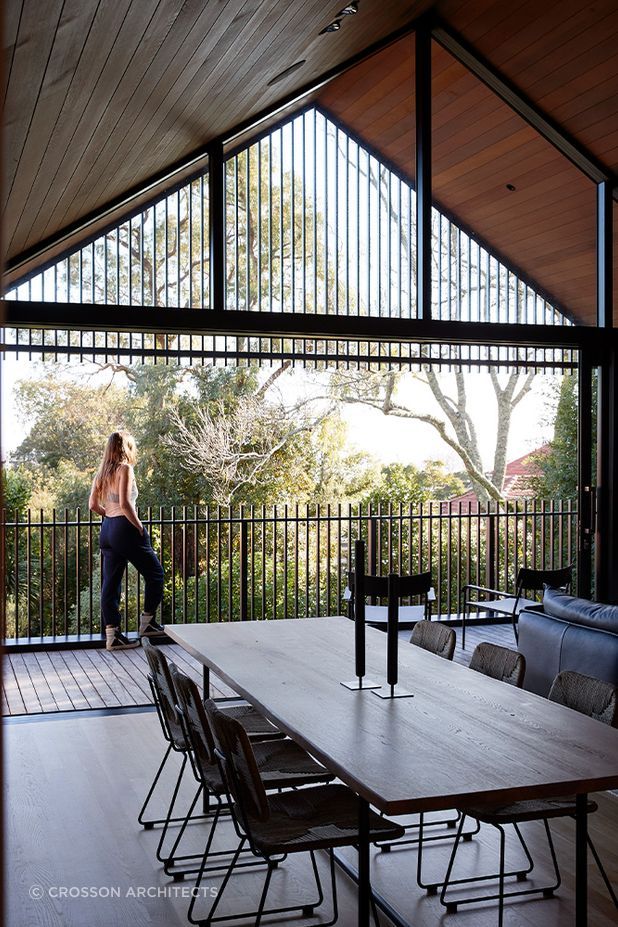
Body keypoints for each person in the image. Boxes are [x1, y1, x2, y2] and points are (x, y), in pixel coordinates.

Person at [89, 431, 165, 651]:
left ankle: (112, 636)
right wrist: (139, 527)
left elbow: (93, 505)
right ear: (125, 448)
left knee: (110, 584)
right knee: (156, 574)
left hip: (107, 530)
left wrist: (109, 516)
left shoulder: (101, 473)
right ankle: (147, 623)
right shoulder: (125, 469)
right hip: (124, 527)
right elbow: (125, 503)